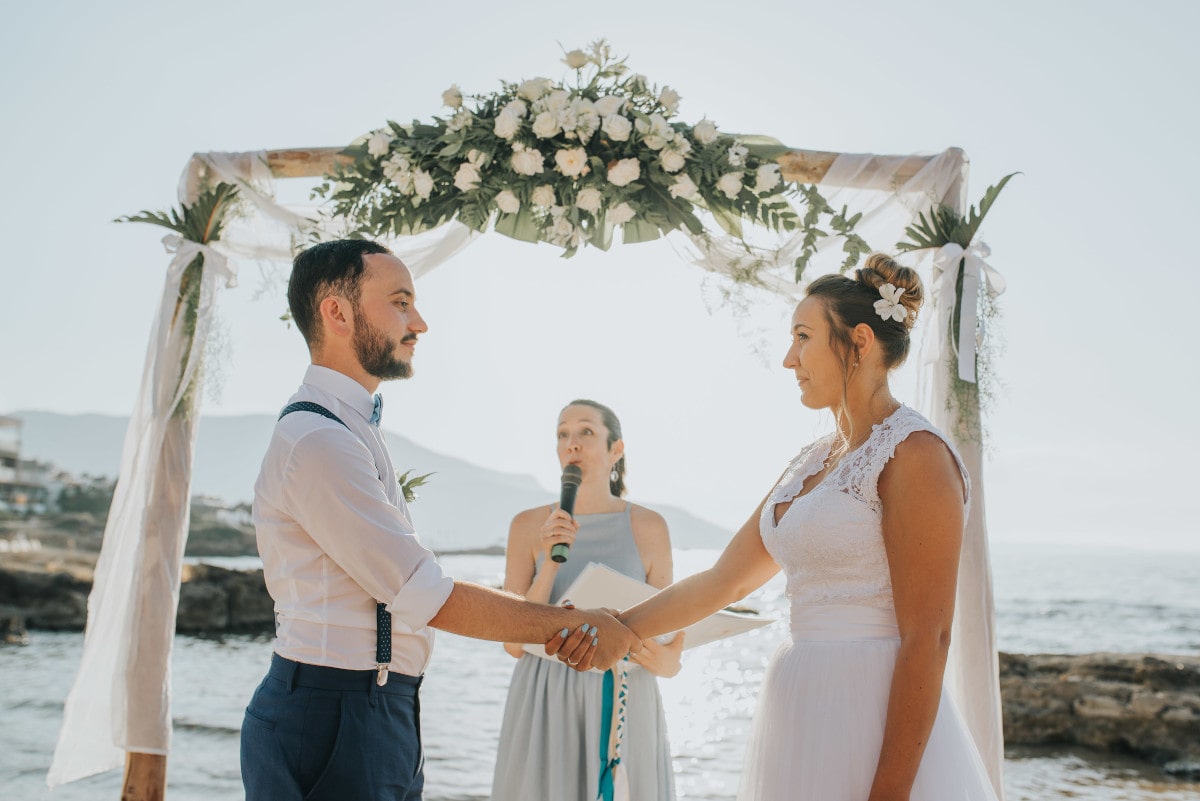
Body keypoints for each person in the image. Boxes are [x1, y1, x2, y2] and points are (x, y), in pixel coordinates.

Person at [240, 239, 642, 801]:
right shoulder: (318, 441)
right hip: (334, 712)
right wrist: (571, 626)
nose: (420, 323)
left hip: (377, 709)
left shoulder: (351, 429)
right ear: (337, 311)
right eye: (401, 302)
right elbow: (423, 593)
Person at [619, 253, 1000, 801]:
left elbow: (929, 638)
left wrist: (888, 794)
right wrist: (620, 627)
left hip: (869, 713)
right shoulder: (811, 461)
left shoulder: (915, 454)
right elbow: (725, 580)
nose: (787, 359)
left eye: (802, 337)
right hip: (802, 711)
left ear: (860, 343)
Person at [491, 400, 682, 801]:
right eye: (563, 434)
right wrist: (550, 562)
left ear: (616, 450)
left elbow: (671, 643)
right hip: (545, 695)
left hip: (625, 692)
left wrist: (660, 658)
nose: (571, 443)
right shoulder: (527, 526)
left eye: (586, 432)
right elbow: (512, 643)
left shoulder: (649, 526)